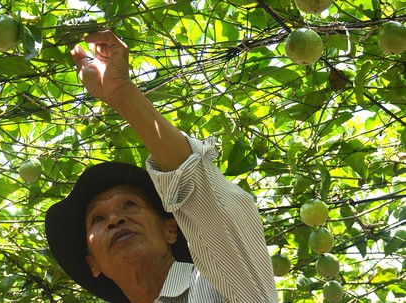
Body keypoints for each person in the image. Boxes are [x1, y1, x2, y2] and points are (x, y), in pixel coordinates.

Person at [45, 30, 278, 303]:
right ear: (93, 264)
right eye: (97, 219)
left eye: (130, 204)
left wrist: (121, 93)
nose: (114, 220)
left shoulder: (220, 286)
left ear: (170, 229)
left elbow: (203, 195)